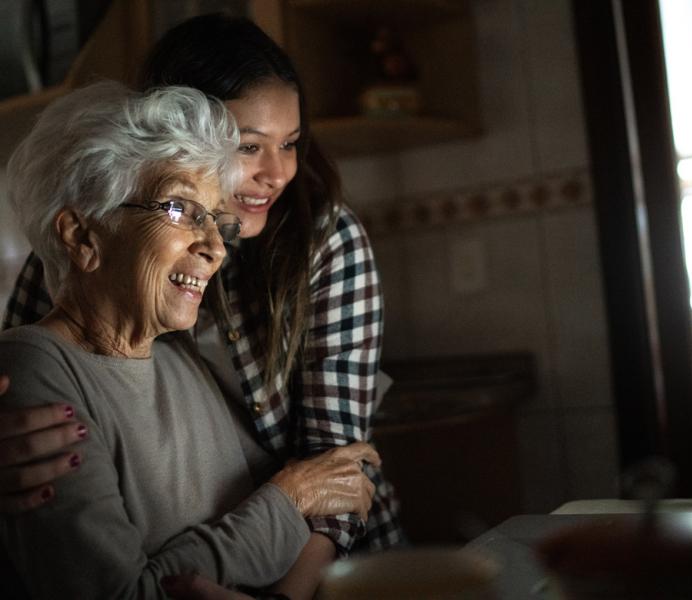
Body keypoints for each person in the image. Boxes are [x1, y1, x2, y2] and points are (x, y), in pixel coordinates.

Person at [0, 9, 402, 586]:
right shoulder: (82, 267)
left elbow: (335, 475)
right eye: (248, 146)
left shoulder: (321, 240)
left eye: (290, 144)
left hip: (332, 569)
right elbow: (25, 372)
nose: (276, 173)